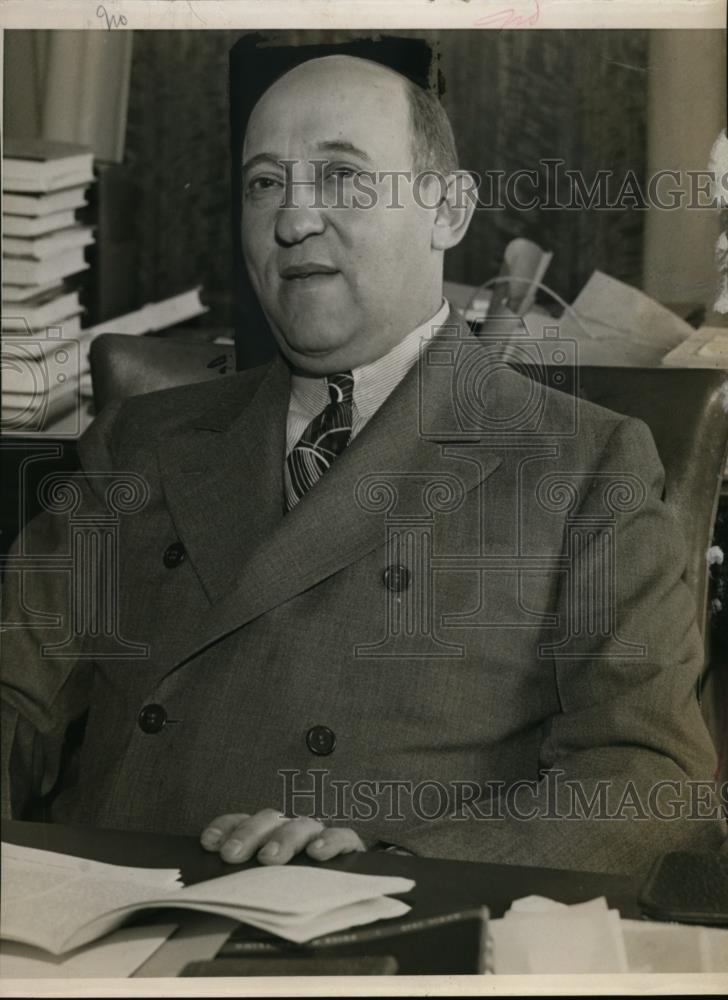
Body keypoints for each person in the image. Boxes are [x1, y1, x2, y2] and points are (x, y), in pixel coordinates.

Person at [1, 53, 725, 876]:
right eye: (264, 184)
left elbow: (646, 786)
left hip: (383, 935)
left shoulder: (588, 467)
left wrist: (389, 859)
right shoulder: (143, 441)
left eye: (343, 175)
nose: (293, 221)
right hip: (101, 929)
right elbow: (12, 694)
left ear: (446, 209)